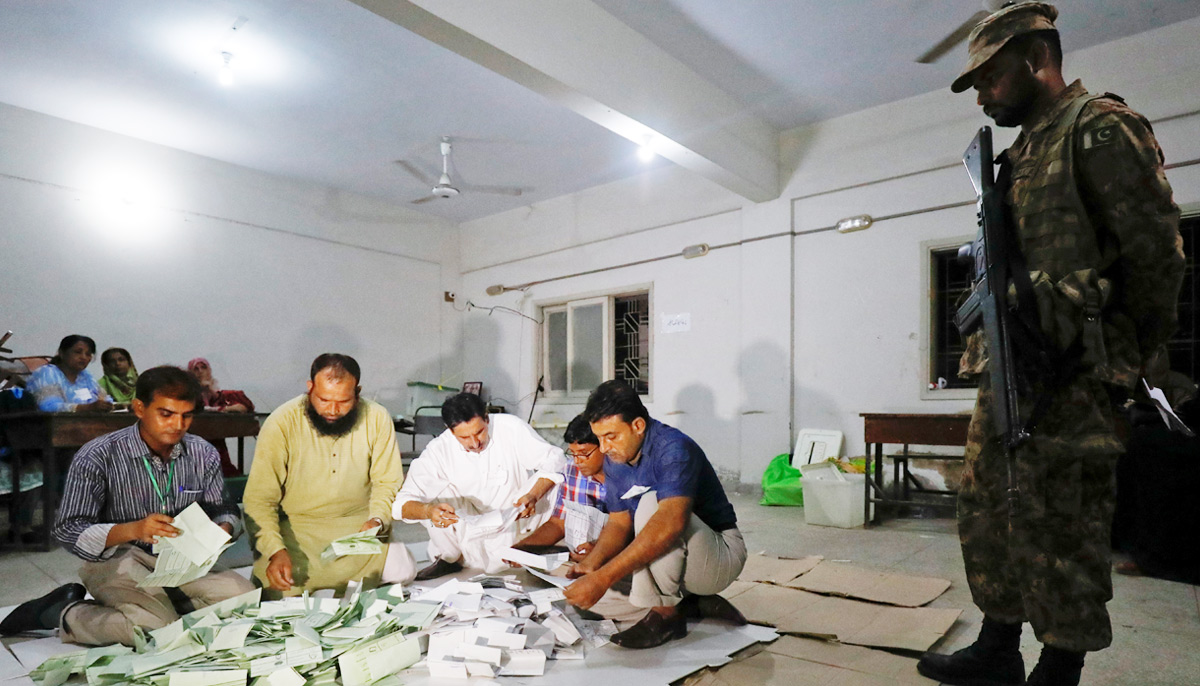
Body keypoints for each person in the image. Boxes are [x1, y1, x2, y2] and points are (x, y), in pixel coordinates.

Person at [917, 5, 1187, 686]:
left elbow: (1156, 258)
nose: (981, 95)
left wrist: (1124, 359)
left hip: (1076, 371)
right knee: (990, 510)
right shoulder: (1019, 152)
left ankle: (1059, 666)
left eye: (990, 77)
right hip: (1011, 365)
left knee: (1065, 524)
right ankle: (998, 646)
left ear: (1037, 56)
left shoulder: (1099, 129)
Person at [0, 366, 254, 646]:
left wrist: (225, 526)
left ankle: (159, 606)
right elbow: (68, 528)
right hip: (118, 557)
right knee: (156, 630)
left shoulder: (202, 453)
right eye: (166, 414)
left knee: (244, 600)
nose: (178, 425)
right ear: (139, 408)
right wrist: (133, 529)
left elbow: (223, 507)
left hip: (183, 558)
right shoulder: (98, 455)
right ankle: (64, 612)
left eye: (186, 415)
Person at [563, 380, 748, 649]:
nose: (603, 447)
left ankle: (665, 617)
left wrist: (603, 578)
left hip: (719, 554)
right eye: (599, 438)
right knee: (589, 595)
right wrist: (593, 563)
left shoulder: (673, 449)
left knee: (652, 506)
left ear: (638, 426)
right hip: (678, 557)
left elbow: (670, 524)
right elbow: (618, 522)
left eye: (611, 436)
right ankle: (692, 602)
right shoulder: (617, 458)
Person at [243, 354, 402, 597]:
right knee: (281, 594)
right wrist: (275, 550)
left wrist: (377, 521)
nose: (333, 410)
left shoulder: (377, 418)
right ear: (310, 388)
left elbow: (387, 482)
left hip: (358, 530)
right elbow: (259, 500)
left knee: (404, 569)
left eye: (344, 401)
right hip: (297, 535)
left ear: (357, 392)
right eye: (324, 399)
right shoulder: (281, 422)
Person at [395, 392, 566, 578]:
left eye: (479, 432)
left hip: (516, 516)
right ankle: (448, 558)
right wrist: (429, 512)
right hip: (468, 524)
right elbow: (401, 504)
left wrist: (533, 495)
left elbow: (555, 459)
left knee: (556, 482)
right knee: (431, 497)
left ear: (487, 418)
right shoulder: (438, 450)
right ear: (450, 430)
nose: (475, 443)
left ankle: (532, 546)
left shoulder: (510, 427)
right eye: (464, 437)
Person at [509, 414, 608, 561]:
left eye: (584, 453)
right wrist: (524, 549)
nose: (577, 461)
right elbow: (559, 523)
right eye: (573, 453)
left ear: (605, 446)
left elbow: (628, 528)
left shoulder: (627, 473)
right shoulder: (571, 470)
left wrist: (601, 548)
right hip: (582, 557)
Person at [186, 357, 255, 476]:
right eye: (196, 369)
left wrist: (215, 399)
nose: (200, 371)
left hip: (217, 448)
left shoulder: (221, 395)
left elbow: (243, 407)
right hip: (194, 449)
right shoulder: (187, 395)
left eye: (203, 367)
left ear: (210, 370)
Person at [26, 335, 112, 412]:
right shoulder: (47, 373)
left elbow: (105, 400)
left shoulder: (86, 376)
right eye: (78, 352)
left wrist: (116, 405)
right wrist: (86, 408)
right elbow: (49, 406)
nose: (83, 357)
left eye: (88, 354)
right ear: (62, 353)